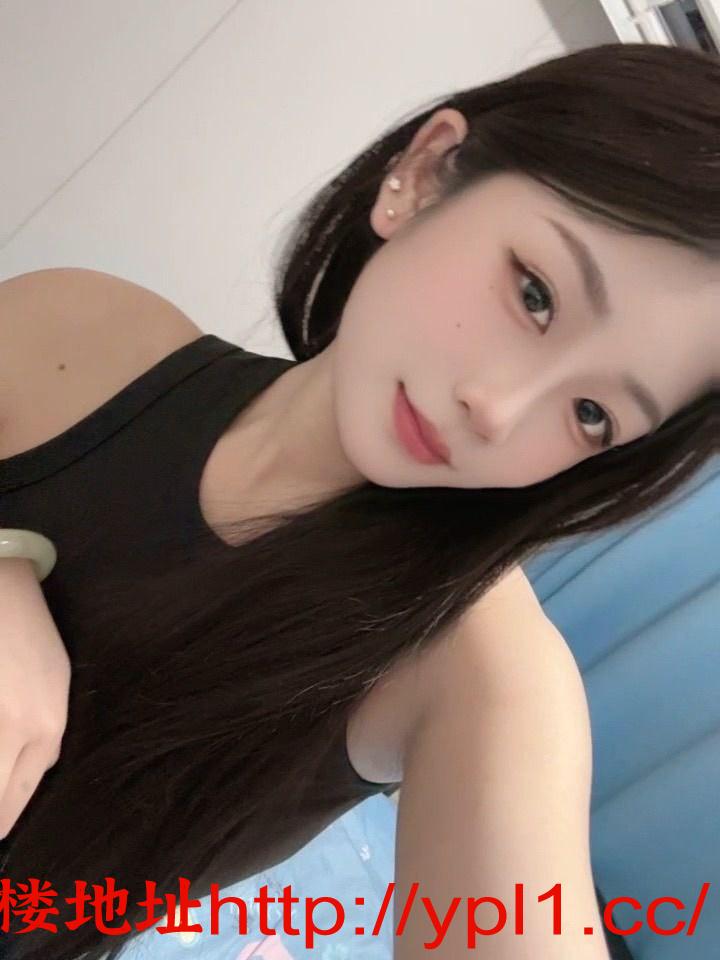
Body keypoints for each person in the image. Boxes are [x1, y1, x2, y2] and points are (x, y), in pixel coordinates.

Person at [0, 40, 717, 960]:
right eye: (536, 295)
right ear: (425, 174)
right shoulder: (84, 330)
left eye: (591, 414)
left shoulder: (475, 676)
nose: (497, 408)